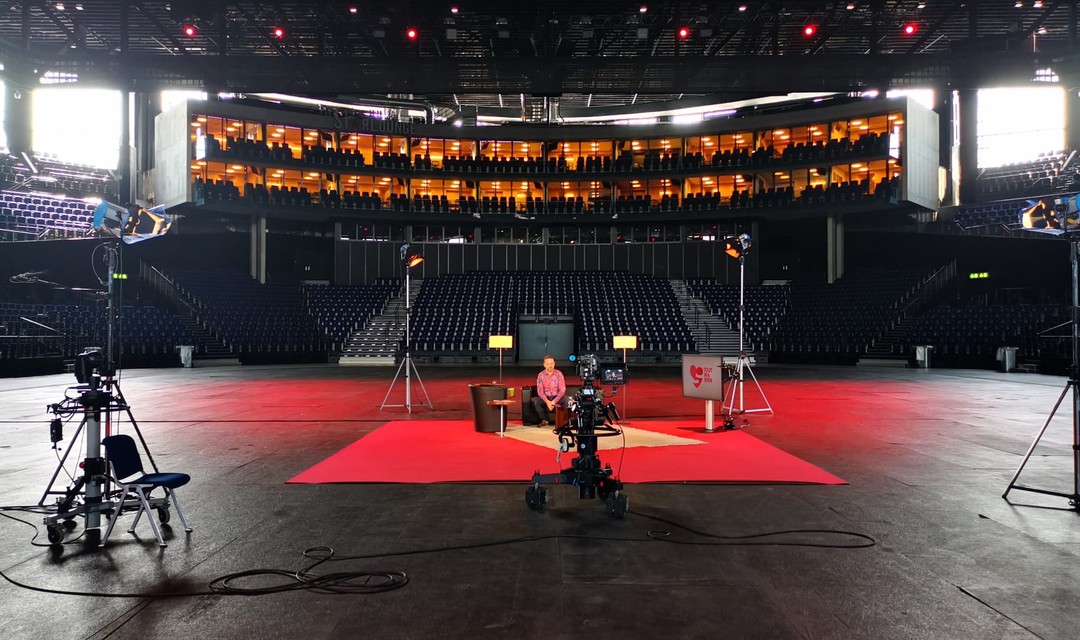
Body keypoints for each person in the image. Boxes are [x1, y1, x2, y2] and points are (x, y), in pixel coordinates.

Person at [531, 355, 566, 427]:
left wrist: (554, 402)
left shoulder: (559, 374)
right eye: (548, 364)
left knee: (567, 400)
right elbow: (540, 391)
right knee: (536, 401)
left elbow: (562, 389)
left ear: (554, 363)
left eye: (551, 363)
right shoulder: (541, 375)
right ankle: (544, 420)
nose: (550, 366)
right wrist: (547, 402)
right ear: (544, 365)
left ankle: (564, 421)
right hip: (546, 397)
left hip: (556, 397)